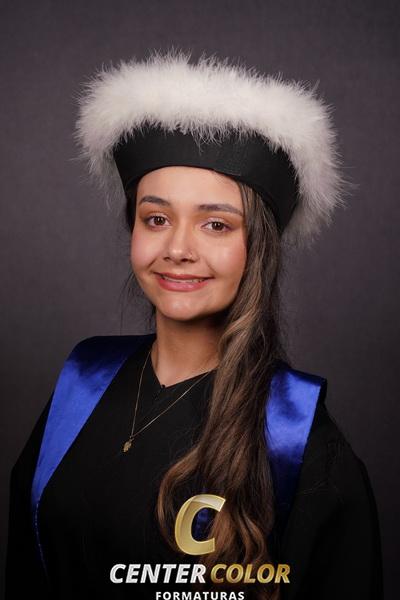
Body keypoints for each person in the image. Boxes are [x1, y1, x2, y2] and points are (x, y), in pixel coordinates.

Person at [5, 49, 384, 600]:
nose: (178, 248)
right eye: (156, 218)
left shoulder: (298, 440)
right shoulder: (80, 386)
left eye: (216, 224)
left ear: (258, 248)